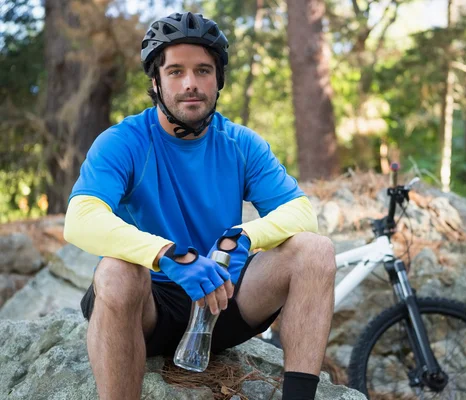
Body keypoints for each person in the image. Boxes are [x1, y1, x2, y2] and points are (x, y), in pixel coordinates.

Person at [63, 11, 336, 400]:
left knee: (315, 249)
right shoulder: (123, 141)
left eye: (203, 70)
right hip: (148, 310)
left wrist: (244, 238)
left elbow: (300, 212)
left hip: (220, 301)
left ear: (218, 79)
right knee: (117, 271)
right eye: (175, 71)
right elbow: (80, 219)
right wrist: (166, 254)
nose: (190, 84)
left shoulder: (240, 143)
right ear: (156, 82)